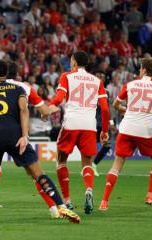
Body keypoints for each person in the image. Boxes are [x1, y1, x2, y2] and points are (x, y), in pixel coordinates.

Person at [0, 60, 80, 223]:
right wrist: (24, 135)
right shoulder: (18, 89)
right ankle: (61, 206)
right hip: (16, 135)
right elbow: (23, 110)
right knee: (38, 173)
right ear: (7, 73)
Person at [99, 57, 152, 211]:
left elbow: (115, 105)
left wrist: (125, 110)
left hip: (126, 127)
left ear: (143, 70)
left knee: (117, 163)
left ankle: (104, 202)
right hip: (145, 130)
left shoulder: (130, 84)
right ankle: (150, 194)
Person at [49, 51, 110, 214]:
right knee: (87, 164)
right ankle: (89, 189)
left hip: (71, 123)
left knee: (61, 161)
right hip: (89, 126)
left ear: (74, 62)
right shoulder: (98, 81)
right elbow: (104, 108)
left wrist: (46, 108)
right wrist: (104, 130)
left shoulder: (67, 76)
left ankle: (67, 201)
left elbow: (59, 98)